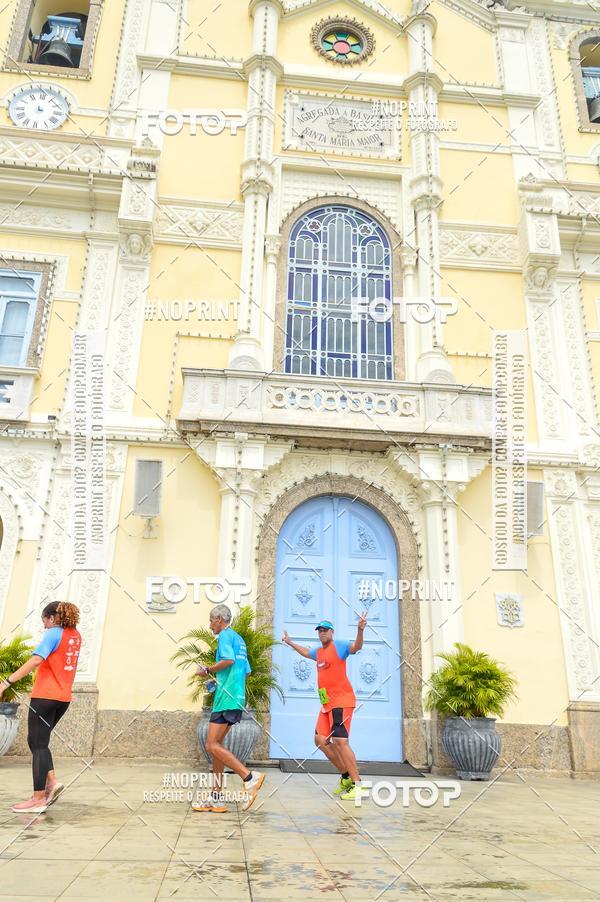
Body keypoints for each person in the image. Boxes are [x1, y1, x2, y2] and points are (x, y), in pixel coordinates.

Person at [0, 601, 82, 814]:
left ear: (52, 618)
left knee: (38, 744)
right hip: (63, 698)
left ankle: (38, 799)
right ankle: (52, 782)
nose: (44, 626)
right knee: (37, 741)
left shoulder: (54, 633)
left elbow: (36, 660)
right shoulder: (75, 635)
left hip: (45, 696)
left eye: (44, 621)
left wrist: (6, 683)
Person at [282, 613, 368, 801]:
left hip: (341, 702)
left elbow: (356, 647)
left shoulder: (340, 646)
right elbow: (306, 652)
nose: (322, 633)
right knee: (320, 739)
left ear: (332, 632)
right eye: (319, 630)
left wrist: (360, 630)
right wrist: (289, 642)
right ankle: (346, 775)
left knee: (341, 742)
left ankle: (358, 784)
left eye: (325, 630)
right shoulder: (318, 652)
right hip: (326, 705)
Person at [192, 604, 265, 814]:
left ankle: (250, 778)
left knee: (211, 744)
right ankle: (216, 797)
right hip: (234, 696)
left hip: (227, 700)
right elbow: (245, 670)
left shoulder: (224, 636)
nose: (209, 625)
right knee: (216, 746)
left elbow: (228, 660)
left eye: (211, 620)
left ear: (219, 619)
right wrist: (220, 681)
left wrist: (208, 670)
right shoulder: (239, 640)